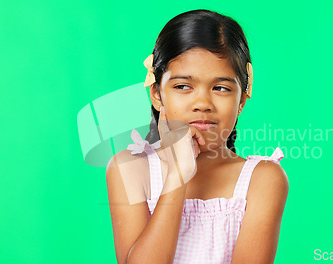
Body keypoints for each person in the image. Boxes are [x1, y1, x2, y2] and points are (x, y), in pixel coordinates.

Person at [106, 9, 288, 264]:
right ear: (157, 94)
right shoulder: (130, 169)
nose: (202, 103)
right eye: (183, 86)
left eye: (221, 88)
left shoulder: (262, 179)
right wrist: (177, 176)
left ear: (242, 100)